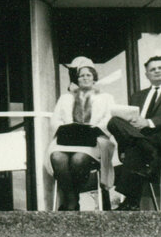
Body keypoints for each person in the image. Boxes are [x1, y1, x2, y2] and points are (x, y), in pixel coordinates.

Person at [107, 56, 161, 211]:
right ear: (146, 74)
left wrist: (148, 122)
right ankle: (146, 148)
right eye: (152, 69)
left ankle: (131, 202)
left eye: (160, 68)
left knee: (134, 148)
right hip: (142, 140)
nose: (157, 71)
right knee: (114, 121)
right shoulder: (137, 96)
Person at [46, 60, 116, 211]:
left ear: (94, 78)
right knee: (57, 157)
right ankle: (72, 199)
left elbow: (109, 119)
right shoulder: (65, 98)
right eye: (81, 75)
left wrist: (94, 129)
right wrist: (65, 128)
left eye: (88, 75)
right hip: (66, 140)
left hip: (93, 140)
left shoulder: (106, 97)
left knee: (79, 159)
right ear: (77, 79)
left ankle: (71, 201)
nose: (85, 78)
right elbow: (55, 120)